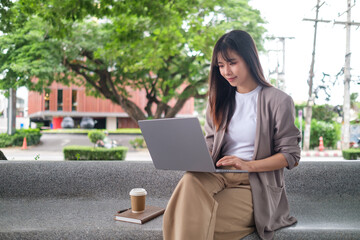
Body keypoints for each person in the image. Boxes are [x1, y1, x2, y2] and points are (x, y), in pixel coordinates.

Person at [162, 30, 301, 240]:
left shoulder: (278, 101)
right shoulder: (217, 101)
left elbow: (291, 155)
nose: (226, 71)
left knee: (186, 219)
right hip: (218, 175)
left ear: (250, 59)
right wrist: (193, 155)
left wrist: (247, 165)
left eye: (232, 62)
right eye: (220, 65)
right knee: (190, 180)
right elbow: (211, 146)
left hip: (254, 183)